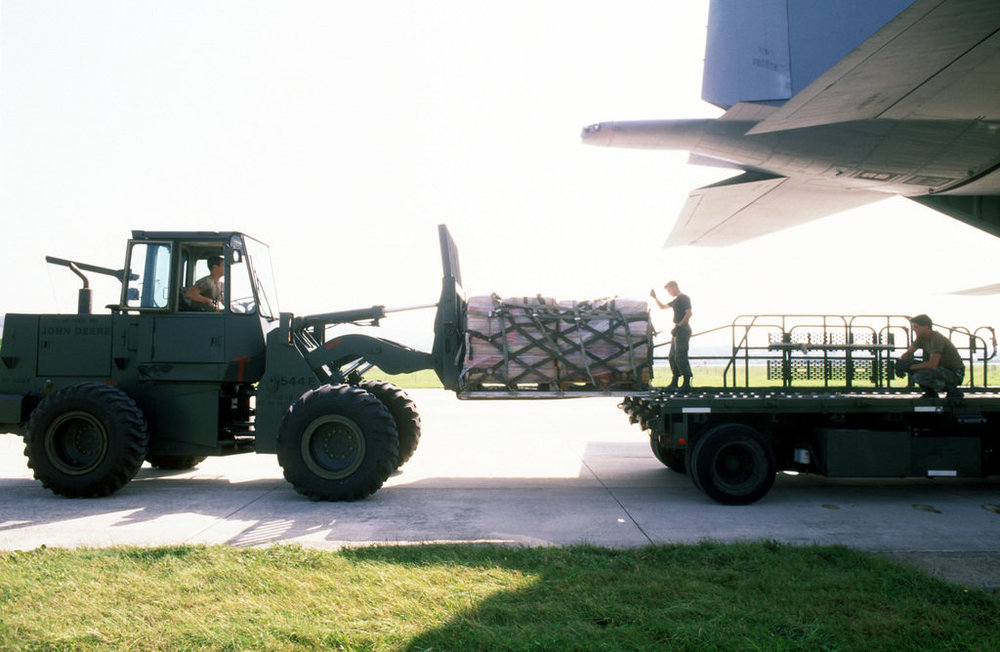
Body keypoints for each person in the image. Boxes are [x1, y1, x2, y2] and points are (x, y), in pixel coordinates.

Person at [899, 314, 965, 398]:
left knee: (920, 375)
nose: (913, 330)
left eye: (916, 327)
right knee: (908, 364)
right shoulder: (921, 338)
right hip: (942, 369)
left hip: (954, 373)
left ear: (926, 327)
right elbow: (908, 354)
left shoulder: (936, 338)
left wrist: (911, 367)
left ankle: (951, 389)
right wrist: (900, 362)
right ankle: (930, 392)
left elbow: (932, 364)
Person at [650, 280, 692, 391]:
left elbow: (689, 313)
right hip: (677, 330)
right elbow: (662, 307)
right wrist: (655, 298)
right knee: (672, 356)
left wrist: (679, 326)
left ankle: (686, 382)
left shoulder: (684, 298)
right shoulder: (675, 301)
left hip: (682, 329)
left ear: (674, 287)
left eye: (669, 290)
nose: (669, 293)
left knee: (680, 356)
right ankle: (675, 381)